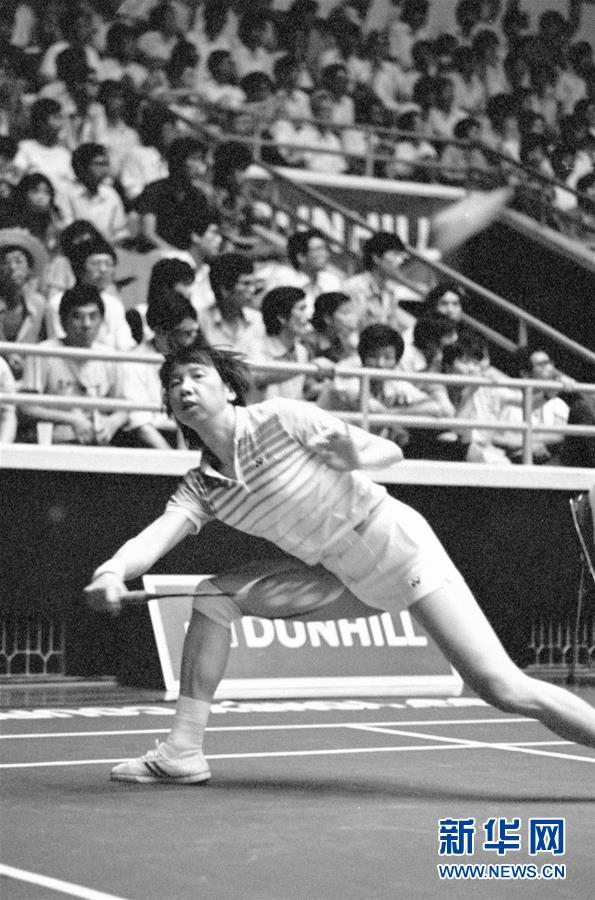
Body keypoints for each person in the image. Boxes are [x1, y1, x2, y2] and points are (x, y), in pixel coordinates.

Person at [83, 335, 595, 784]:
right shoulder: (203, 486)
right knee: (212, 598)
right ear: (172, 408)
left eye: (197, 375)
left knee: (501, 687)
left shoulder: (281, 418)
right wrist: (111, 572)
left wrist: (355, 457)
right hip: (341, 576)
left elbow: (390, 453)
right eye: (174, 383)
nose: (185, 387)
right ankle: (182, 751)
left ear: (230, 390)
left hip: (396, 548)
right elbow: (155, 536)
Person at [20, 283, 129, 446]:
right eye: (78, 317)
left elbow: (124, 407)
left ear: (102, 320)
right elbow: (26, 408)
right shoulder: (42, 352)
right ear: (63, 321)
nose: (86, 324)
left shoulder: (109, 356)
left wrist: (112, 422)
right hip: (53, 442)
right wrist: (72, 419)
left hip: (98, 442)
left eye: (93, 317)